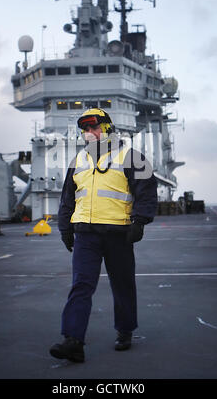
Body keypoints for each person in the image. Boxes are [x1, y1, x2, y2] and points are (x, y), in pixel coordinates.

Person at [49, 108, 158, 362]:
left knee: (122, 285)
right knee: (81, 285)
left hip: (118, 234)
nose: (90, 133)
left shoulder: (131, 157)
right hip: (86, 235)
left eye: (94, 128)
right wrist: (65, 227)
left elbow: (147, 191)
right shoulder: (78, 161)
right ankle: (73, 341)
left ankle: (125, 330)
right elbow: (68, 198)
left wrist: (139, 222)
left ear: (107, 128)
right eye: (86, 130)